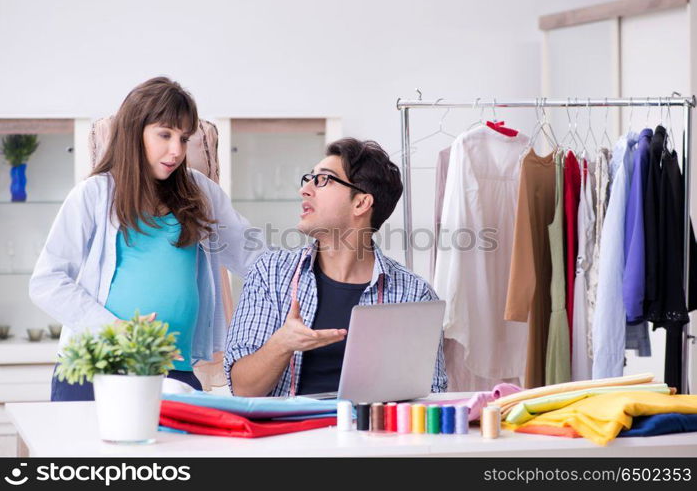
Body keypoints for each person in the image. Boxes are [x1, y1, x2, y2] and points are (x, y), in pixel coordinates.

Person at [29, 77, 265, 401]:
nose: (177, 151)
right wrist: (116, 331)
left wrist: (318, 264)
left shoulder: (199, 192)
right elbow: (47, 281)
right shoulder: (94, 194)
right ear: (133, 131)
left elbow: (253, 256)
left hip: (175, 370)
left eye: (184, 138)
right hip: (95, 370)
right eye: (165, 135)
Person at [225, 138, 447, 396]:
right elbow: (242, 389)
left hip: (372, 435)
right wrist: (282, 344)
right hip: (287, 437)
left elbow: (430, 396)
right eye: (309, 179)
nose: (305, 190)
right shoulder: (270, 274)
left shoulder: (414, 296)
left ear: (361, 203)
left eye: (323, 180)